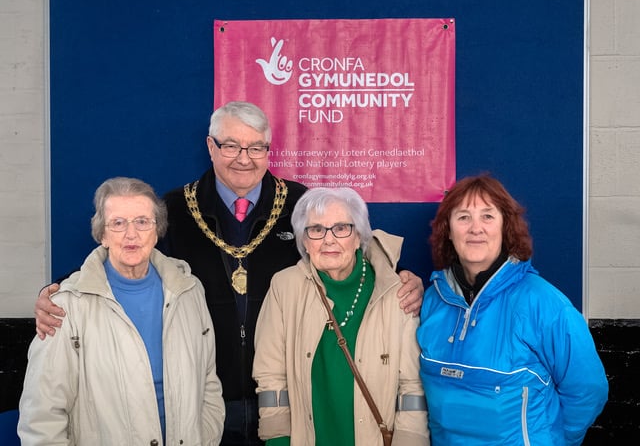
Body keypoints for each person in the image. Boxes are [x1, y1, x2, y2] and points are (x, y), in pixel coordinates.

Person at [33, 101, 425, 446]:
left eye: (256, 147)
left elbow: (345, 239)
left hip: (288, 397)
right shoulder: (174, 208)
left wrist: (401, 275)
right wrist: (61, 290)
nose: (244, 158)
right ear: (210, 146)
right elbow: (124, 250)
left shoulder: (300, 202)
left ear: (269, 150)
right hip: (206, 402)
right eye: (231, 145)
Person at [18, 177, 225, 445]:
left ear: (157, 229)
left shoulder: (189, 290)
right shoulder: (66, 306)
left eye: (141, 221)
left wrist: (205, 438)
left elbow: (208, 381)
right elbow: (42, 415)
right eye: (118, 223)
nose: (131, 234)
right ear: (102, 234)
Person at [416, 174, 608, 445]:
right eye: (463, 217)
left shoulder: (545, 304)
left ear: (505, 226)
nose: (475, 228)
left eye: (487, 216)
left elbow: (589, 389)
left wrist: (555, 439)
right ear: (448, 230)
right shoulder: (432, 300)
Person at [253, 187, 430, 446]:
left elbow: (412, 388)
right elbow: (271, 378)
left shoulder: (396, 292)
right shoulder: (284, 287)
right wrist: (277, 440)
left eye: (341, 228)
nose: (328, 240)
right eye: (316, 230)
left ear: (359, 236)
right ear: (304, 240)